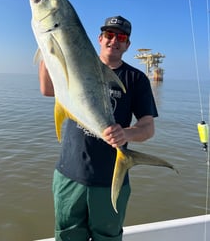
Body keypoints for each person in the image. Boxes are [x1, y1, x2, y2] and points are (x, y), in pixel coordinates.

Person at [39, 15, 158, 241]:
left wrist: (126, 133)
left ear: (127, 45)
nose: (114, 41)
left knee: (107, 237)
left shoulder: (137, 79)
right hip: (69, 174)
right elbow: (47, 89)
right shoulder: (78, 64)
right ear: (100, 38)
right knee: (67, 236)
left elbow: (148, 127)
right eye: (109, 35)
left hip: (109, 180)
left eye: (121, 37)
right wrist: (48, 50)